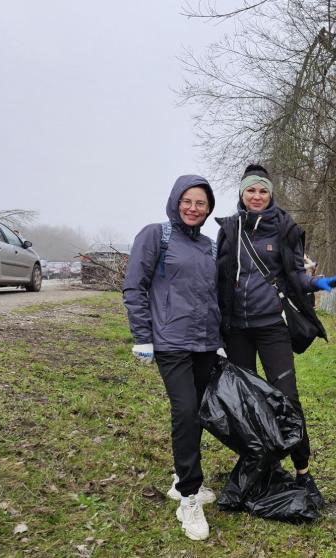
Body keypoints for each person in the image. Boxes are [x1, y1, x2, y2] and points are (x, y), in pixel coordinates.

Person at [215, 163, 336, 504]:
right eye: (251, 190)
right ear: (242, 194)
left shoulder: (285, 228)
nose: (257, 196)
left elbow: (296, 274)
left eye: (263, 191)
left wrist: (316, 283)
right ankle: (261, 466)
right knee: (245, 403)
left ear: (271, 195)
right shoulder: (229, 229)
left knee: (287, 398)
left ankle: (303, 470)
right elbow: (220, 278)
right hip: (237, 331)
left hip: (272, 327)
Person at [123, 175, 221, 541]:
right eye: (188, 201)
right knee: (185, 411)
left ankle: (182, 477)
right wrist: (142, 336)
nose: (194, 208)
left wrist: (220, 339)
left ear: (209, 208)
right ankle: (189, 498)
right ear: (176, 201)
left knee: (198, 412)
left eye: (201, 203)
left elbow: (214, 296)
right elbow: (135, 286)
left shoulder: (210, 246)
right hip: (171, 342)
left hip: (206, 344)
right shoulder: (156, 236)